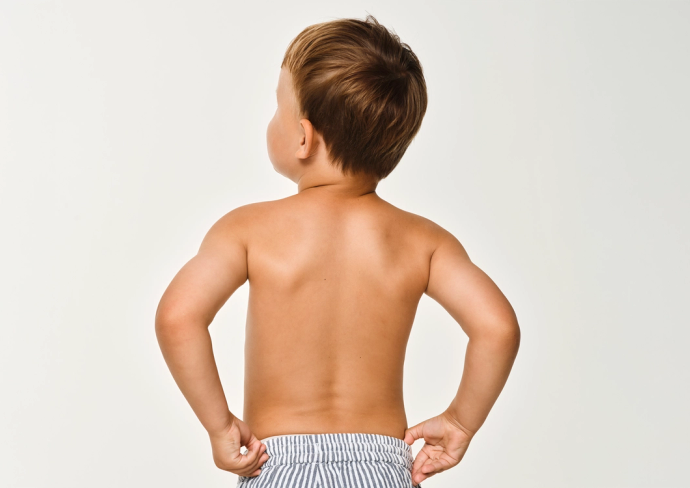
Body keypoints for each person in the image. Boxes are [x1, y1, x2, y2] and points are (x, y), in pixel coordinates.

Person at [155, 14, 520, 487]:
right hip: (382, 467)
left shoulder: (248, 229)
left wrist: (220, 426)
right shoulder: (424, 241)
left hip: (277, 465)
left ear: (303, 137)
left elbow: (177, 317)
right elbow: (498, 328)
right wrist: (460, 423)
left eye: (278, 107)